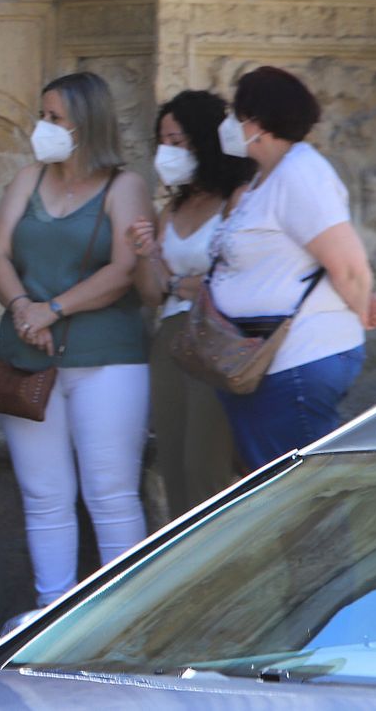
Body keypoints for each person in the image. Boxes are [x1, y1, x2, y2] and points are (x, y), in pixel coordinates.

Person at [0, 71, 152, 611]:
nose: (44, 127)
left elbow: (126, 270)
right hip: (28, 356)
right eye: (43, 116)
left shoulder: (124, 186)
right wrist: (21, 309)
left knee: (111, 492)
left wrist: (52, 310)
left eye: (54, 117)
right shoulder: (28, 179)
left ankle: (123, 620)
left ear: (87, 122)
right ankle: (51, 610)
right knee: (44, 494)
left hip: (108, 359)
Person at [207, 67, 376, 470]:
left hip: (297, 361)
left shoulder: (301, 172)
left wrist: (361, 309)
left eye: (237, 114)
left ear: (258, 122)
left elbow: (349, 266)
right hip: (260, 363)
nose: (230, 124)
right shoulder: (265, 178)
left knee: (307, 501)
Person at [126, 91, 253, 515]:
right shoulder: (172, 208)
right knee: (174, 465)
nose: (169, 152)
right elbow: (151, 293)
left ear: (204, 140)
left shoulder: (235, 199)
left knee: (207, 464)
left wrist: (177, 280)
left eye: (178, 141)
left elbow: (230, 282)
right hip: (170, 339)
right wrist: (146, 253)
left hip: (216, 341)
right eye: (163, 142)